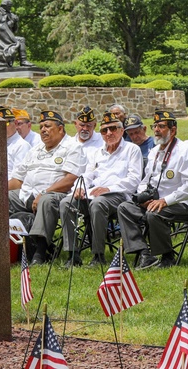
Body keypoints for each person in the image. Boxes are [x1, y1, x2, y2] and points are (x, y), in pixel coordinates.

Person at [117, 110, 188, 269]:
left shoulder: (184, 150)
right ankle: (144, 253)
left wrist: (165, 201)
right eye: (155, 126)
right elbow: (145, 180)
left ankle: (167, 256)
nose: (156, 130)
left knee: (153, 213)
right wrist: (143, 196)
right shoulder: (155, 151)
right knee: (124, 208)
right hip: (155, 201)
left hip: (181, 202)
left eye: (161, 126)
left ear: (173, 130)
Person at [59, 112, 143, 267]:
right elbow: (87, 175)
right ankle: (72, 255)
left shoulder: (131, 150)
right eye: (104, 131)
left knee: (98, 204)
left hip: (119, 195)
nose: (109, 133)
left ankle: (98, 255)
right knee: (66, 202)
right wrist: (79, 188)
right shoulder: (98, 152)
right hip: (95, 194)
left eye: (113, 129)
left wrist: (108, 188)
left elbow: (134, 180)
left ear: (121, 130)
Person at [9, 110, 87, 266]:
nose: (43, 130)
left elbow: (70, 179)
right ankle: (6, 246)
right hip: (27, 195)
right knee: (1, 198)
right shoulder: (35, 150)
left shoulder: (72, 147)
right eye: (41, 126)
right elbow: (17, 179)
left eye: (47, 126)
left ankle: (40, 251)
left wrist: (45, 191)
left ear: (60, 129)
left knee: (46, 200)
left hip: (58, 195)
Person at [0, 0, 33, 68]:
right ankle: (23, 61)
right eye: (9, 6)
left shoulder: (9, 14)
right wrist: (11, 22)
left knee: (21, 39)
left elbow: (13, 30)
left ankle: (23, 61)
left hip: (7, 38)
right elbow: (0, 28)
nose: (10, 8)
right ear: (4, 5)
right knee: (20, 40)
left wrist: (15, 22)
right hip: (1, 40)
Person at [71, 105, 104, 173]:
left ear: (94, 125)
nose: (85, 129)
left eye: (89, 126)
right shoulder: (69, 143)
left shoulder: (103, 140)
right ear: (75, 124)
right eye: (82, 125)